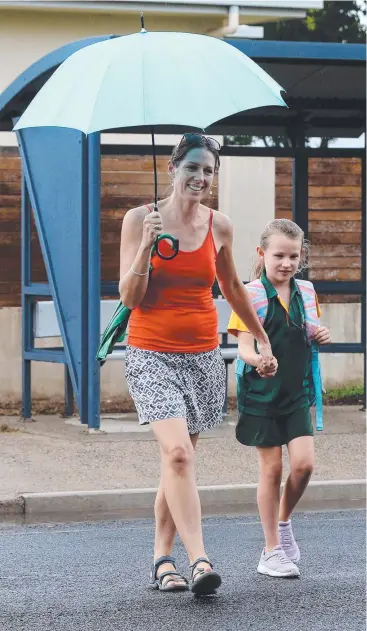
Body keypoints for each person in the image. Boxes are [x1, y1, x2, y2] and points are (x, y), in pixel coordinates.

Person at [118, 133, 273, 596]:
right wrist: (146, 246)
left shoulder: (219, 226)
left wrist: (260, 335)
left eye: (208, 170)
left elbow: (233, 288)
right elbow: (130, 297)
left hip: (203, 356)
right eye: (192, 168)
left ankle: (162, 561)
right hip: (150, 353)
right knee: (179, 454)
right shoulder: (138, 220)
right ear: (172, 169)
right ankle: (199, 559)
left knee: (177, 461)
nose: (201, 178)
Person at [228, 218, 331, 578]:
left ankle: (283, 523)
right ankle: (271, 550)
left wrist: (319, 333)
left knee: (303, 466)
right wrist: (260, 360)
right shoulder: (249, 294)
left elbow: (306, 328)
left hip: (298, 391)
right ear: (262, 254)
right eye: (278, 256)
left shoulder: (306, 290)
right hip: (262, 394)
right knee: (271, 470)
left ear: (300, 257)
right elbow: (242, 348)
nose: (286, 263)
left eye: (293, 256)